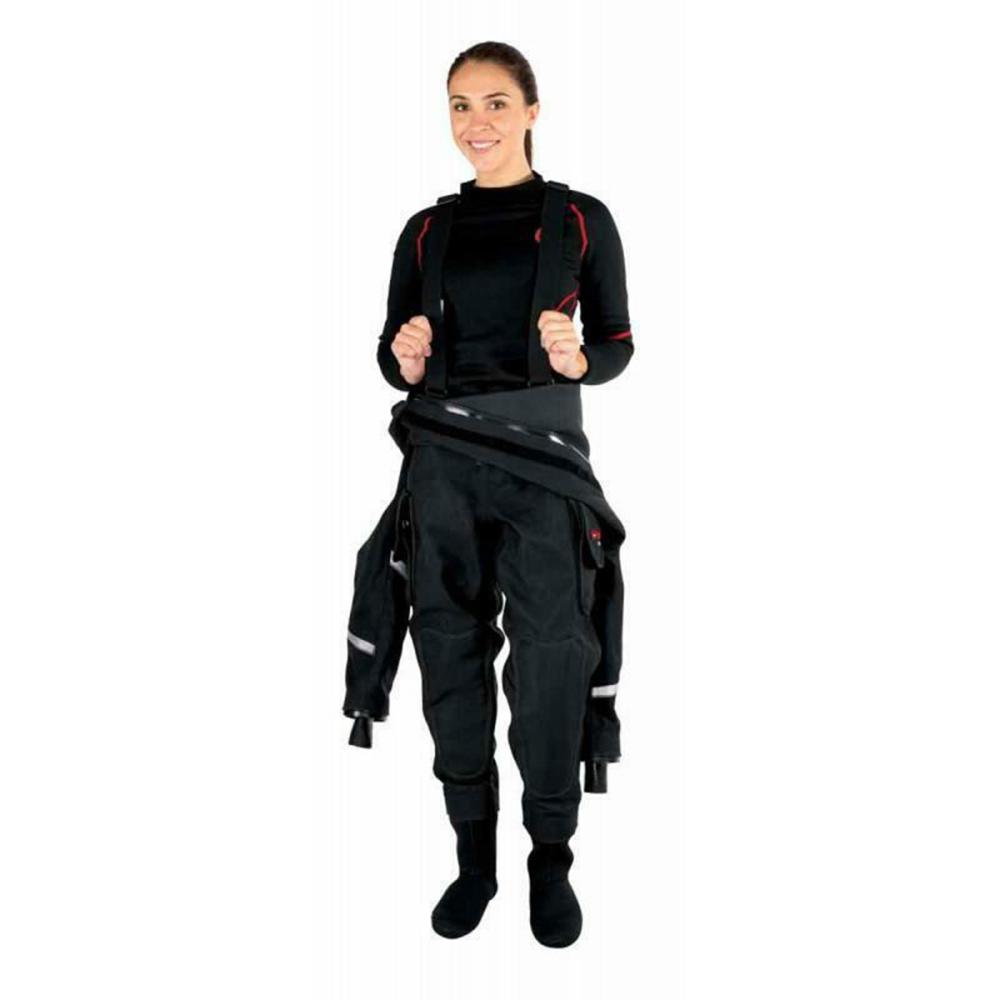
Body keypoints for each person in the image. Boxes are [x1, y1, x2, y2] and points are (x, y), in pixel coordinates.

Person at [346, 41, 634, 949]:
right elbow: (389, 351)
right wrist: (404, 359)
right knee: (449, 656)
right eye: (462, 105)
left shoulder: (581, 219)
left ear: (532, 112)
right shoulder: (424, 231)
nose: (478, 123)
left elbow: (619, 344)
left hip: (544, 469)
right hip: (442, 466)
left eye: (497, 103)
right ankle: (475, 861)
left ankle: (551, 858)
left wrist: (579, 361)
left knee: (552, 661)